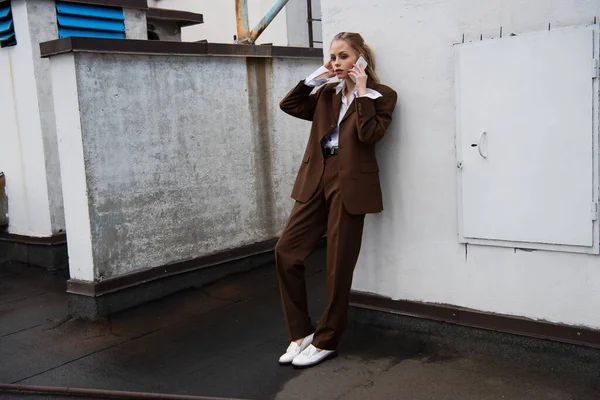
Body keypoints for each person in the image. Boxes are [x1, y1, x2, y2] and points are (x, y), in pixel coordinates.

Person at [275, 32, 398, 369]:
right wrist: (317, 76)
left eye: (343, 56)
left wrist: (360, 93)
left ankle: (327, 339)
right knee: (286, 251)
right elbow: (290, 105)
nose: (337, 62)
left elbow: (369, 134)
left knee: (338, 264)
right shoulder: (325, 93)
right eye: (332, 56)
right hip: (316, 177)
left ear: (360, 57)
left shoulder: (382, 95)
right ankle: (301, 333)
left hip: (350, 183)